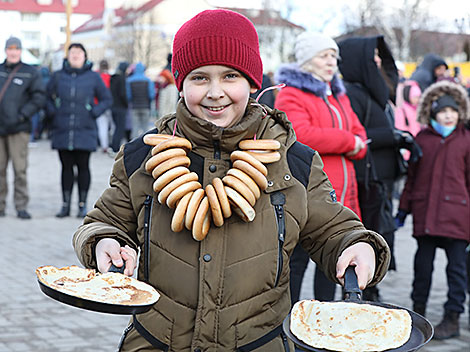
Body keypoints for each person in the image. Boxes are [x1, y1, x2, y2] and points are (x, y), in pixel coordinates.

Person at [73, 10, 390, 351]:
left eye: (230, 77)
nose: (214, 92)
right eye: (199, 78)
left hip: (259, 343)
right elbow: (105, 222)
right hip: (156, 342)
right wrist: (102, 241)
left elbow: (334, 229)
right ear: (181, 84)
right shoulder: (141, 156)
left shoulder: (295, 161)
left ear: (253, 82)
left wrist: (357, 245)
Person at [275, 32, 368, 304]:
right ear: (306, 60)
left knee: (334, 265)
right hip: (308, 195)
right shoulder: (291, 93)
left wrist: (355, 143)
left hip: (343, 195)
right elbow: (301, 135)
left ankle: (326, 324)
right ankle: (287, 323)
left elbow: (361, 137)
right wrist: (348, 141)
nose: (331, 62)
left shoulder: (338, 95)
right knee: (298, 264)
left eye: (333, 56)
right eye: (323, 56)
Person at [338, 35, 421, 301]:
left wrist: (400, 137)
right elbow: (359, 135)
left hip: (380, 179)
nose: (377, 60)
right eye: (371, 56)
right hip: (364, 181)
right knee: (364, 240)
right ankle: (358, 295)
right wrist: (395, 137)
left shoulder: (375, 93)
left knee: (380, 237)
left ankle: (372, 289)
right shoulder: (352, 92)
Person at [395, 80, 470, 340]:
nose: (448, 115)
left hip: (458, 217)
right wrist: (403, 210)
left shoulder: (466, 140)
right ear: (432, 112)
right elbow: (412, 179)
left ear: (460, 112)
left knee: (456, 270)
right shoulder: (422, 139)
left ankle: (453, 318)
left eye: (453, 110)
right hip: (426, 213)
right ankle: (418, 315)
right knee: (422, 267)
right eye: (442, 111)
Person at [47, 43, 112, 218]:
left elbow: (106, 99)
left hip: (85, 129)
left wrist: (94, 112)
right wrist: (53, 111)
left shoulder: (93, 77)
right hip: (63, 129)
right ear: (67, 57)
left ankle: (82, 205)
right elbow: (46, 97)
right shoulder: (58, 76)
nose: (75, 55)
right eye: (72, 53)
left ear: (85, 56)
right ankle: (65, 205)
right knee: (66, 168)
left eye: (79, 53)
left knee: (83, 167)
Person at [0, 36, 45, 219]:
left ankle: (21, 206)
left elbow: (39, 97)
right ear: (5, 51)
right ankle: (0, 205)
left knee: (20, 169)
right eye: (10, 49)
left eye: (16, 49)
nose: (13, 52)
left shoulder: (30, 72)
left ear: (20, 51)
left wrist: (22, 115)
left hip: (19, 128)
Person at [126, 62, 155, 139]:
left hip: (134, 107)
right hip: (145, 106)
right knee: (145, 128)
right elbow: (151, 95)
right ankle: (145, 146)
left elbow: (128, 96)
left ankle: (134, 147)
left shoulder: (129, 81)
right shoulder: (148, 80)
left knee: (135, 128)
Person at [110, 61, 129, 154]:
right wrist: (126, 104)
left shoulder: (113, 78)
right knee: (120, 128)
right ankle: (115, 147)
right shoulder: (122, 79)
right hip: (120, 107)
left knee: (116, 127)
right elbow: (122, 93)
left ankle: (114, 145)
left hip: (113, 106)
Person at [95, 59, 113, 153]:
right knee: (112, 126)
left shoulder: (97, 78)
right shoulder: (111, 78)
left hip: (99, 105)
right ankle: (112, 144)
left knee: (102, 127)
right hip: (110, 105)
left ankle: (104, 145)